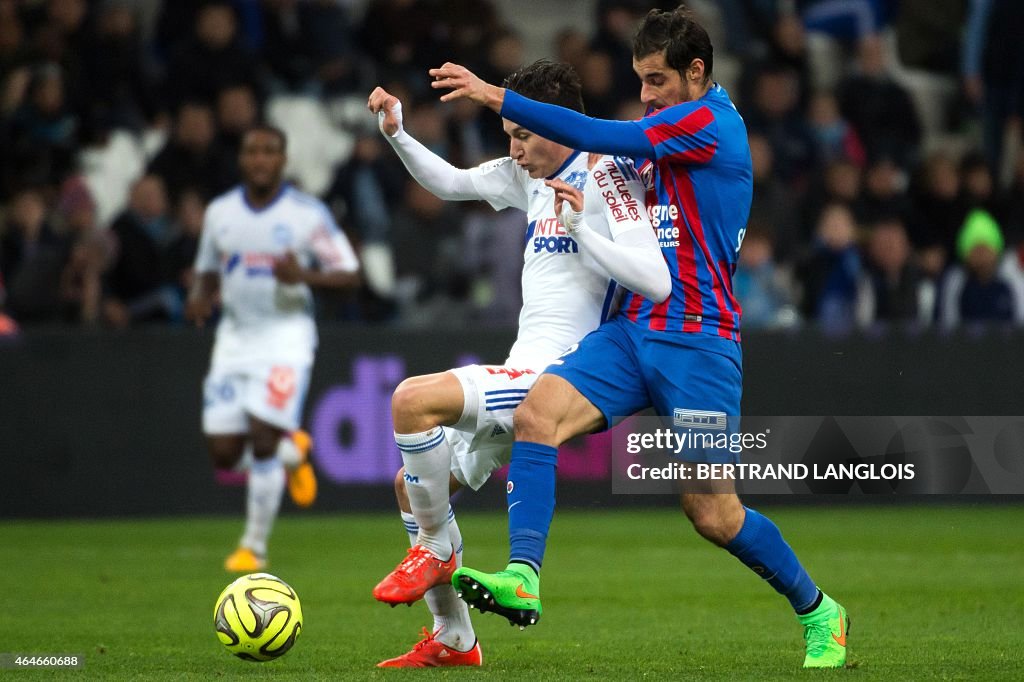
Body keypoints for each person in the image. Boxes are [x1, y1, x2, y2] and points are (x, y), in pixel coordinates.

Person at [429, 5, 850, 670]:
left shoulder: (709, 123)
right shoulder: (674, 120)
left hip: (700, 344)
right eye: (641, 81)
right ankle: (524, 575)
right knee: (538, 412)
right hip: (632, 331)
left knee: (713, 514)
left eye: (657, 80)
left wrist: (496, 96)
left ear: (697, 72)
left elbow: (597, 134)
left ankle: (820, 610)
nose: (648, 94)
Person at [366, 60, 670, 668]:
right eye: (508, 135)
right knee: (411, 486)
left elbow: (655, 280)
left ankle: (435, 549)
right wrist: (397, 134)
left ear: (556, 123)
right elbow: (450, 183)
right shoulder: (525, 176)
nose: (514, 148)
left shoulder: (607, 176)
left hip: (563, 373)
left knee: (410, 401)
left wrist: (583, 229)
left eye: (523, 133)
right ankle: (454, 638)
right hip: (520, 367)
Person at [185, 124, 360, 572]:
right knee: (224, 451)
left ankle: (253, 548)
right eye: (252, 151)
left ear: (283, 160)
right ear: (241, 159)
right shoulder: (221, 213)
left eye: (270, 151)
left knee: (262, 436)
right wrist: (201, 296)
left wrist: (305, 277)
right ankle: (292, 452)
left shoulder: (307, 214)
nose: (260, 159)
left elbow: (349, 273)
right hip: (234, 338)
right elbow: (207, 269)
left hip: (287, 337)